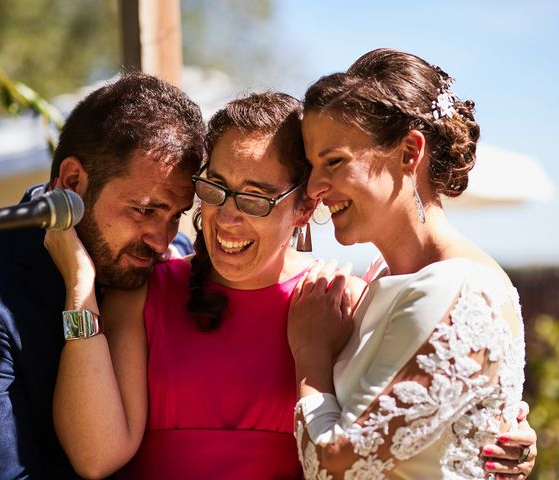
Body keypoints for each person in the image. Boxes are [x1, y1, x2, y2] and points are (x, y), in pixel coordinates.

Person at [46, 91, 536, 480]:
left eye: (256, 198)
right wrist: (80, 285)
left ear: (304, 207)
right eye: (215, 187)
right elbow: (96, 456)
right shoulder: (144, 292)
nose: (228, 216)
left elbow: (396, 432)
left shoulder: (340, 302)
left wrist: (489, 436)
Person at [0, 70, 205, 478]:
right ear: (73, 181)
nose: (163, 240)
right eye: (145, 210)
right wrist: (80, 293)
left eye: (175, 215)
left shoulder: (171, 261)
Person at [288, 48, 535, 479]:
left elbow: (336, 467)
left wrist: (310, 353)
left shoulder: (458, 289)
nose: (314, 186)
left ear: (408, 153)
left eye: (334, 161)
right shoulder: (387, 278)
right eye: (311, 166)